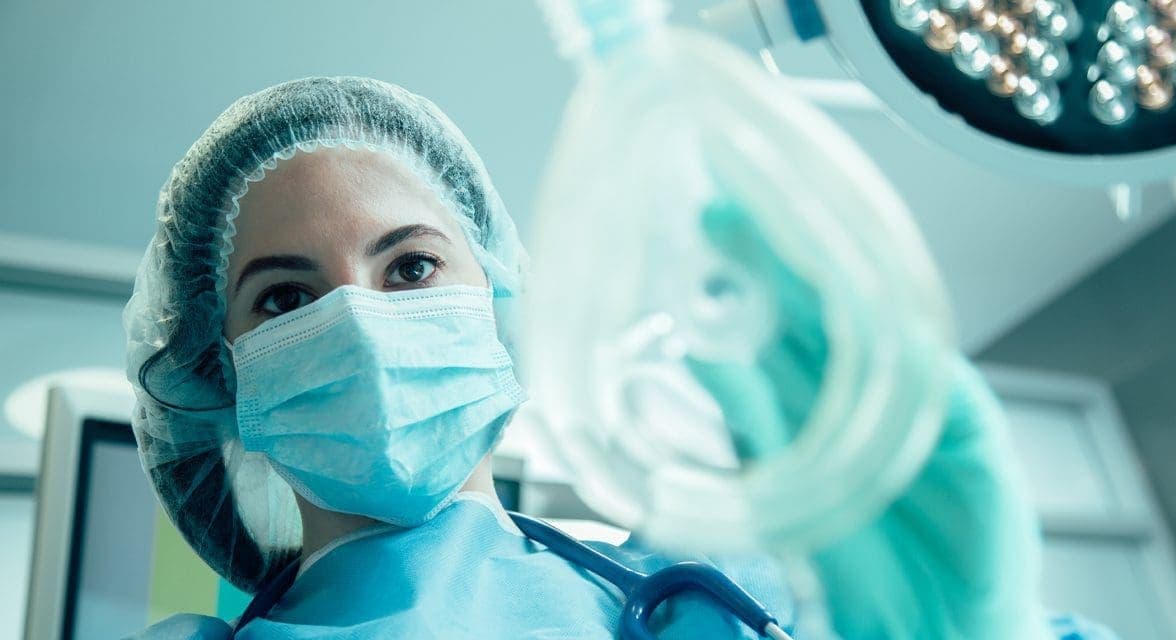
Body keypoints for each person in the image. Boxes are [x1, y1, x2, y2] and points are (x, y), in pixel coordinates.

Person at [124, 77, 1116, 639]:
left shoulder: (711, 601)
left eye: (412, 266)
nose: (360, 325)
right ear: (220, 374)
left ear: (498, 302)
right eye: (288, 298)